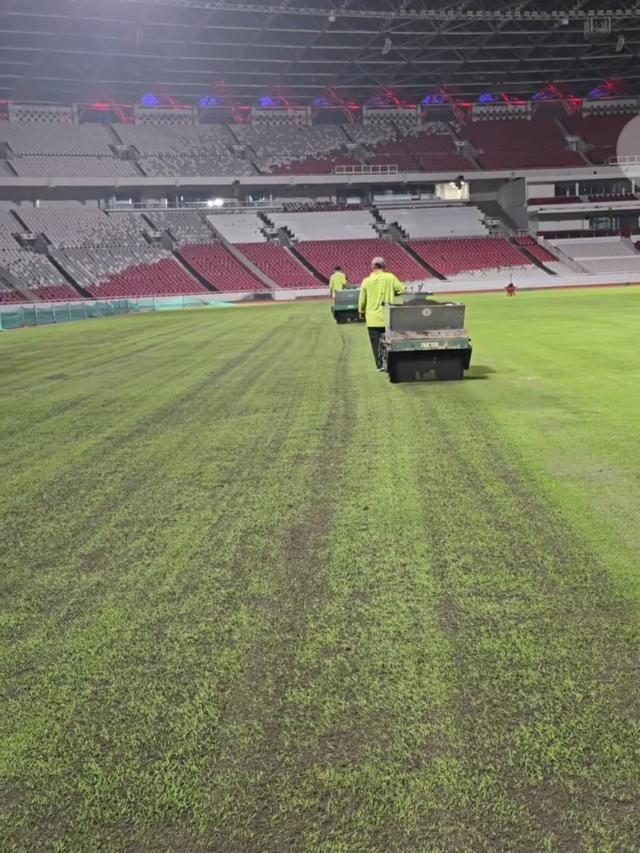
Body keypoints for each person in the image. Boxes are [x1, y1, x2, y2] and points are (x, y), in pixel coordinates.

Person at [358, 257, 405, 370]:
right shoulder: (390, 277)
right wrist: (393, 292)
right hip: (388, 317)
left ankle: (379, 365)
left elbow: (362, 300)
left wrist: (361, 311)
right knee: (391, 342)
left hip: (372, 318)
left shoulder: (366, 281)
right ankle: (392, 363)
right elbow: (402, 289)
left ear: (372, 266)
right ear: (384, 266)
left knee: (375, 344)